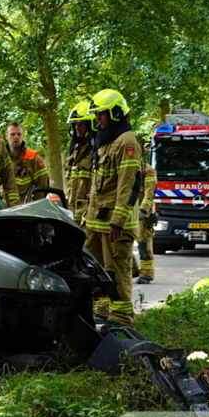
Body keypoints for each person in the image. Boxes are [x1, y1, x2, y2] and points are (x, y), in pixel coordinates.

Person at [83, 89, 143, 327]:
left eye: (102, 114)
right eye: (96, 114)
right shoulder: (107, 140)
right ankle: (104, 308)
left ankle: (120, 318)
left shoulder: (127, 141)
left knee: (116, 270)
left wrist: (118, 220)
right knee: (95, 268)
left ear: (117, 113)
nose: (98, 119)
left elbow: (129, 183)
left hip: (114, 224)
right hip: (96, 221)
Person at [64, 101, 94, 226]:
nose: (77, 127)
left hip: (88, 211)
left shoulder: (97, 151)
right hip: (72, 211)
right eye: (75, 123)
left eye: (81, 124)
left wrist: (95, 192)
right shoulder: (75, 151)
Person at [6, 122, 49, 202]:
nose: (16, 137)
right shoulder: (0, 157)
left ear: (23, 136)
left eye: (19, 134)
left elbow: (41, 184)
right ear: (7, 136)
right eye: (12, 134)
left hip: (23, 209)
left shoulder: (33, 158)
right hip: (1, 208)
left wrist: (34, 205)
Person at [136, 160, 158, 284]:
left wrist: (143, 210)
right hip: (124, 211)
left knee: (143, 244)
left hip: (142, 215)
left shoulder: (148, 171)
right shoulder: (123, 167)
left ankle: (146, 274)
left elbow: (149, 193)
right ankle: (131, 270)